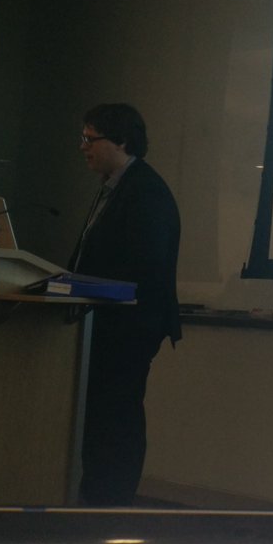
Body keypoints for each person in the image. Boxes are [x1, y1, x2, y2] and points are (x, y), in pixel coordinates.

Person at [69, 102, 181, 506]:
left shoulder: (145, 191)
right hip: (106, 323)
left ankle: (111, 502)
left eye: (90, 138)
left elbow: (144, 265)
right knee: (104, 416)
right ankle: (96, 496)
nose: (83, 146)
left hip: (128, 327)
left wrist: (81, 285)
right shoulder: (114, 185)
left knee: (117, 417)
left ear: (120, 141)